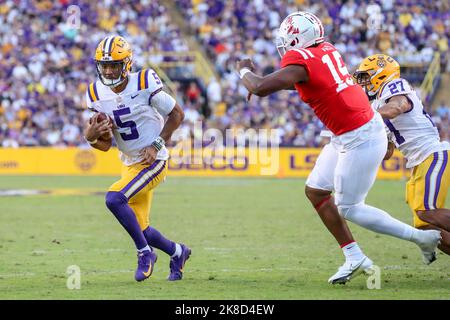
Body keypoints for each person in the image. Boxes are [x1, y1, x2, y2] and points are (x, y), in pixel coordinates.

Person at [236, 12, 442, 284]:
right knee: (316, 191)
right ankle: (354, 256)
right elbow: (306, 82)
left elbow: (260, 87)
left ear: (298, 39)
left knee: (350, 207)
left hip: (360, 135)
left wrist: (244, 69)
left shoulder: (299, 61)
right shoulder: (326, 50)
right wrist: (266, 81)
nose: (284, 44)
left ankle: (422, 239)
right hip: (349, 132)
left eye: (288, 39)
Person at [83, 35, 191, 282]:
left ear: (127, 64)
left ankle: (145, 254)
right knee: (140, 228)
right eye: (104, 65)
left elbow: (177, 114)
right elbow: (106, 144)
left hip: (154, 160)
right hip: (130, 163)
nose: (109, 71)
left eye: (114, 65)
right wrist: (90, 137)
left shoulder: (143, 81)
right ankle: (178, 252)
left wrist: (157, 142)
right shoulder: (95, 93)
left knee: (114, 198)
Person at [354, 54, 450, 255]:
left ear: (381, 74)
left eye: (366, 76)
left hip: (432, 154)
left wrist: (361, 118)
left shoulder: (394, 86)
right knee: (425, 228)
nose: (363, 82)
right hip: (419, 162)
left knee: (427, 211)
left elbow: (398, 106)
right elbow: (387, 152)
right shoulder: (377, 106)